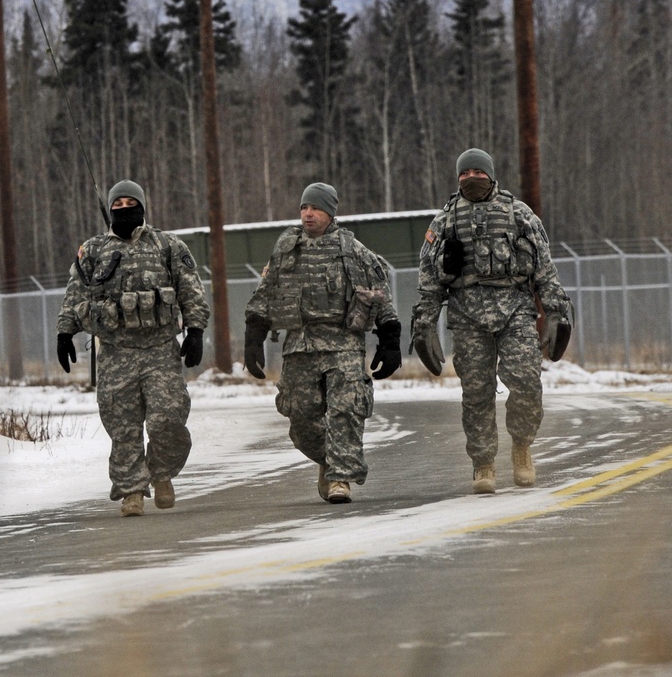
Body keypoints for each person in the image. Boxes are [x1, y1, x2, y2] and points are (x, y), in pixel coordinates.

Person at [411, 148, 571, 494]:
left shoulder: (519, 215)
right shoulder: (445, 221)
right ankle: (483, 464)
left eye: (477, 172)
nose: (470, 178)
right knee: (477, 394)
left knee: (527, 383)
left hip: (515, 312)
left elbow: (545, 269)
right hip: (468, 318)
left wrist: (557, 310)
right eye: (464, 174)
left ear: (491, 174)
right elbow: (429, 279)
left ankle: (522, 447)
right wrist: (424, 323)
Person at [56, 179, 210, 516]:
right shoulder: (94, 250)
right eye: (118, 204)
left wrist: (195, 330)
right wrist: (65, 331)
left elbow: (191, 291)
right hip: (115, 352)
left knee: (167, 420)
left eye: (130, 203)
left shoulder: (167, 246)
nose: (124, 209)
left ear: (142, 206)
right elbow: (76, 293)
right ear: (109, 209)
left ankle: (162, 472)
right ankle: (132, 492)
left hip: (159, 351)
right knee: (122, 427)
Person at [243, 182, 402, 504]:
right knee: (300, 416)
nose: (308, 214)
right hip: (300, 344)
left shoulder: (353, 250)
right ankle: (330, 461)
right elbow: (267, 291)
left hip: (343, 343)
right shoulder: (287, 250)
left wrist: (390, 335)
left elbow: (379, 292)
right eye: (304, 208)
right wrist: (254, 335)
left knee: (346, 410)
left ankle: (340, 478)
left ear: (330, 212)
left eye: (315, 208)